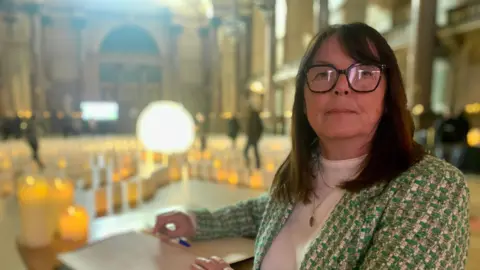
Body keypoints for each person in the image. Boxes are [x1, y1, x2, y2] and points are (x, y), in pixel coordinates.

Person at [153, 23, 469, 269]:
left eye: (364, 74)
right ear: (304, 99)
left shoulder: (432, 187)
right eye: (323, 74)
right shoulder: (305, 168)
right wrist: (196, 222)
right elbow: (266, 210)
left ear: (388, 97)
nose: (342, 87)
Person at [244, 104, 263, 169]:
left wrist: (257, 136)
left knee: (253, 152)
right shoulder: (251, 117)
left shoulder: (254, 117)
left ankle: (257, 165)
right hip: (251, 137)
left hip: (253, 138)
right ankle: (251, 164)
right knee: (248, 151)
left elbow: (260, 128)